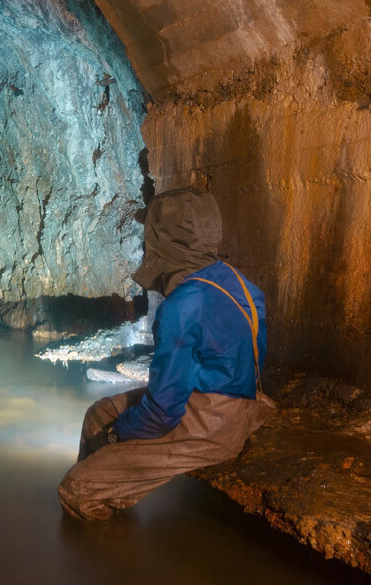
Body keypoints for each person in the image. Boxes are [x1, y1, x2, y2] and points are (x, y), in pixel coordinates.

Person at [59, 187, 275, 520]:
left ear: (166, 241)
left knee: (77, 490)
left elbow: (162, 412)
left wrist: (118, 435)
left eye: (152, 235)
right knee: (98, 414)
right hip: (237, 399)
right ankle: (116, 489)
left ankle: (114, 555)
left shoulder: (182, 306)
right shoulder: (239, 282)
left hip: (212, 422)